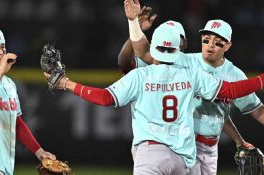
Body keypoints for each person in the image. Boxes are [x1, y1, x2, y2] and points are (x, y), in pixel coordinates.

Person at [44, 24, 264, 175]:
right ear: (179, 48)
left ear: (154, 47)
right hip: (184, 156)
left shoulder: (140, 75)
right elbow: (232, 91)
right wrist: (262, 79)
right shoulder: (191, 75)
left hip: (151, 153)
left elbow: (105, 98)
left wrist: (66, 83)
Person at [123, 0, 264, 174]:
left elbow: (224, 112)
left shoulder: (235, 75)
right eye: (207, 39)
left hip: (210, 149)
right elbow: (142, 52)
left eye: (218, 41)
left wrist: (238, 140)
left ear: (227, 46)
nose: (210, 44)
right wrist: (133, 23)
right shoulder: (183, 61)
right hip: (182, 144)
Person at [0, 26, 56, 175]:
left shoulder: (9, 84)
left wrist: (39, 152)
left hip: (3, 166)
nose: (0, 52)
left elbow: (17, 123)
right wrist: (0, 73)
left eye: (3, 47)